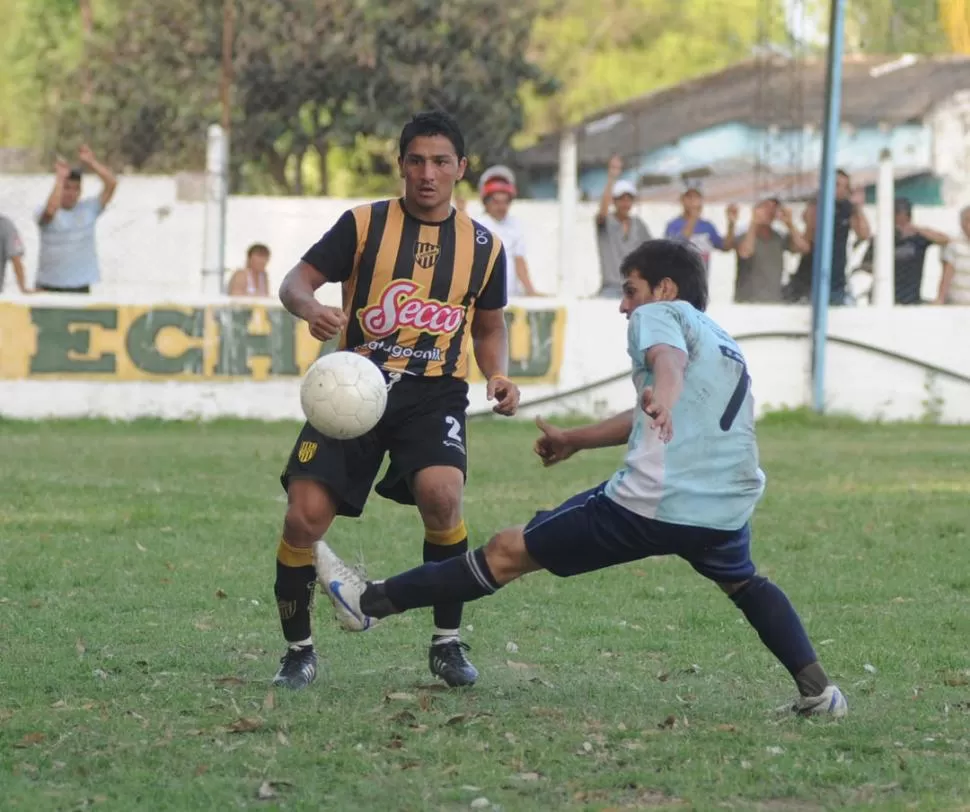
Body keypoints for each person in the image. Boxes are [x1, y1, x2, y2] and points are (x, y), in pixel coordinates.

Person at [314, 238, 847, 719]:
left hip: (653, 503)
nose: (624, 304)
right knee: (745, 583)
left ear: (663, 288)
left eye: (630, 290)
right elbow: (663, 401)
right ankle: (820, 691)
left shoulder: (659, 314)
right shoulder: (722, 339)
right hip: (726, 502)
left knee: (505, 551)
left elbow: (668, 365)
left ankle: (367, 603)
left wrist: (661, 395)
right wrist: (576, 438)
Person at [272, 110, 521, 691]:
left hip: (434, 393)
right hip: (352, 386)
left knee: (442, 497)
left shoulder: (485, 246)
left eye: (440, 162)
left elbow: (488, 325)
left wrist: (498, 374)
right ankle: (298, 652)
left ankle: (447, 644)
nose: (427, 174)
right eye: (416, 161)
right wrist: (310, 308)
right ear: (400, 165)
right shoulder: (363, 225)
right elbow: (295, 281)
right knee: (302, 518)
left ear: (461, 168)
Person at [35, 145, 117, 294]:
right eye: (67, 188)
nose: (71, 193)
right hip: (48, 286)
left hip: (79, 286)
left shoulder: (89, 209)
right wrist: (60, 178)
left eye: (76, 189)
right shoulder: (42, 210)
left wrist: (92, 162)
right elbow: (51, 210)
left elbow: (111, 184)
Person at [783, 170, 871, 305]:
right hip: (811, 274)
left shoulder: (847, 209)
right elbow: (810, 234)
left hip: (836, 275)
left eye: (844, 186)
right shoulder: (816, 205)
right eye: (836, 185)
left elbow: (864, 234)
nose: (840, 190)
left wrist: (858, 208)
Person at [858, 198, 949, 305]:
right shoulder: (881, 239)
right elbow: (865, 265)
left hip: (910, 296)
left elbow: (944, 239)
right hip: (885, 296)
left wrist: (917, 229)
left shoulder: (918, 238)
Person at [475, 166, 540, 297]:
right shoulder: (477, 226)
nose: (501, 207)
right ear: (486, 202)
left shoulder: (515, 225)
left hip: (511, 296)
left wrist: (531, 291)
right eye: (496, 202)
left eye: (505, 202)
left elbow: (519, 260)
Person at [734, 199, 811, 303]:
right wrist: (754, 222)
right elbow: (745, 252)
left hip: (774, 300)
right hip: (747, 302)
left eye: (773, 208)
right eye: (765, 207)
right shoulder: (744, 236)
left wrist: (789, 223)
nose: (769, 212)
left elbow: (804, 248)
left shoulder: (779, 238)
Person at [595, 155, 651, 297]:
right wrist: (611, 178)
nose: (625, 204)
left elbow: (652, 250)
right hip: (611, 287)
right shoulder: (607, 222)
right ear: (614, 201)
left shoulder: (638, 224)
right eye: (621, 199)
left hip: (634, 288)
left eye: (629, 199)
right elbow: (602, 212)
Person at [663, 183, 737, 274]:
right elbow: (676, 248)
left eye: (696, 198)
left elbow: (725, 247)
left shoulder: (707, 226)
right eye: (689, 198)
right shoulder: (673, 225)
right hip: (679, 280)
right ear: (682, 200)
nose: (693, 201)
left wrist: (731, 223)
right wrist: (693, 217)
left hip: (700, 281)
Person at [937, 205, 970, 304]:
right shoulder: (953, 244)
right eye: (967, 220)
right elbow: (946, 276)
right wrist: (939, 300)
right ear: (961, 223)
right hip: (956, 304)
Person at [0, 214, 31, 293]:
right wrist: (23, 288)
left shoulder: (5, 225)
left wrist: (23, 288)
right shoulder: (6, 225)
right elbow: (16, 259)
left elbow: (16, 259)